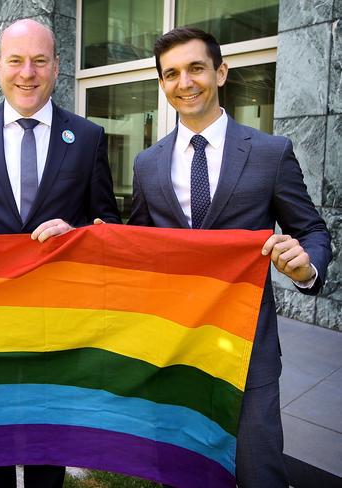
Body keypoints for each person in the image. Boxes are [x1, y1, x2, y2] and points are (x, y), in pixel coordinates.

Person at [127, 27, 332, 487]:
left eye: (196, 68)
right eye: (171, 73)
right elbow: (142, 246)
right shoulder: (147, 164)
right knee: (183, 470)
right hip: (175, 346)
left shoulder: (269, 153)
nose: (185, 82)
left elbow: (312, 229)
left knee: (260, 471)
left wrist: (306, 265)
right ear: (162, 84)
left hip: (247, 346)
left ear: (220, 72)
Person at [0, 18, 121, 488]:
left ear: (57, 67)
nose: (27, 73)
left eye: (39, 61)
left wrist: (75, 231)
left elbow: (109, 225)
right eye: (15, 60)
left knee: (46, 445)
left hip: (56, 322)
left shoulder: (88, 136)